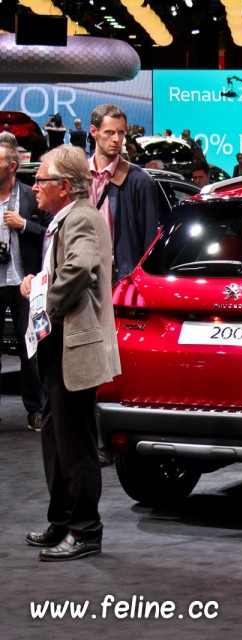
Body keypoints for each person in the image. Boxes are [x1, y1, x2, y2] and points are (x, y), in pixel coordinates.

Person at [21, 144, 121, 561]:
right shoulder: (65, 218)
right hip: (57, 344)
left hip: (73, 344)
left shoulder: (81, 217)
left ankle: (85, 531)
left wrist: (44, 301)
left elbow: (79, 270)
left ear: (64, 186)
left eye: (41, 180)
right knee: (56, 439)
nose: (34, 188)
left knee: (76, 443)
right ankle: (62, 520)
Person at [0, 143, 51, 432]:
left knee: (29, 353)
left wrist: (23, 225)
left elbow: (50, 233)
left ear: (12, 166)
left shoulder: (31, 197)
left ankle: (36, 411)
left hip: (24, 284)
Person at [88, 104, 162, 285]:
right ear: (93, 131)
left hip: (121, 278)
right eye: (109, 133)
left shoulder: (139, 180)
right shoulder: (78, 177)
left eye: (121, 133)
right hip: (83, 274)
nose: (116, 139)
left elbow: (149, 240)